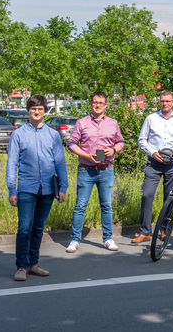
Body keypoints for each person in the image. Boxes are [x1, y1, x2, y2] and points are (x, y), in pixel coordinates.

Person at [7, 95, 68, 281]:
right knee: (25, 227)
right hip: (26, 187)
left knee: (38, 227)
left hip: (48, 188)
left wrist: (63, 187)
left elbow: (60, 161)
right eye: (33, 108)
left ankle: (33, 263)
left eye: (40, 108)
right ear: (28, 110)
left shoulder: (53, 135)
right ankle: (21, 267)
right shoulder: (18, 134)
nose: (37, 111)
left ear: (45, 110)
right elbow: (12, 163)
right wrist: (12, 189)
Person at [65, 91, 125, 253]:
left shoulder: (113, 123)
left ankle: (108, 238)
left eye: (101, 102)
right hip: (86, 169)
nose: (98, 105)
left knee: (106, 205)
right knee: (80, 206)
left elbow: (120, 141)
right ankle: (75, 239)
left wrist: (113, 150)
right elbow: (71, 143)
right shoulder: (81, 123)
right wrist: (86, 155)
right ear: (90, 104)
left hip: (106, 169)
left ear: (106, 105)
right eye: (95, 102)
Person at [133, 90, 173, 243]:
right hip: (154, 163)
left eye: (168, 101)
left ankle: (164, 229)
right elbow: (142, 140)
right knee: (147, 195)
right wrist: (152, 152)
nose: (165, 103)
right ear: (160, 102)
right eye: (162, 101)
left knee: (169, 198)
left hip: (172, 163)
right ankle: (145, 232)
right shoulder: (151, 119)